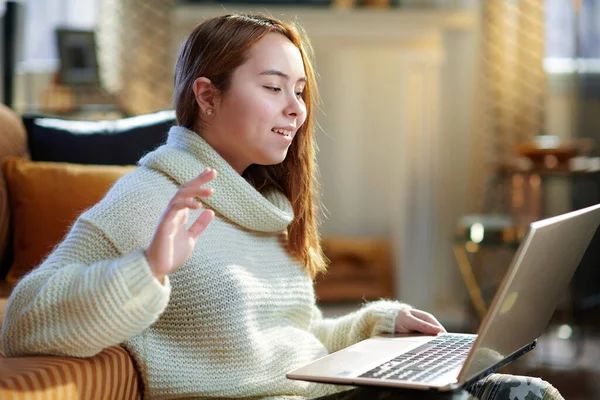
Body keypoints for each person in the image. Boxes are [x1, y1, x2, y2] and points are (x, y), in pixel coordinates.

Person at [1, 13, 562, 400]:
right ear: (206, 96)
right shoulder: (149, 198)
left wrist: (375, 325)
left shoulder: (265, 205)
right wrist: (147, 269)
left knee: (521, 390)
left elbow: (294, 341)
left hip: (322, 392)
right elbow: (23, 324)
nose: (295, 110)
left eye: (299, 91)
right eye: (273, 87)